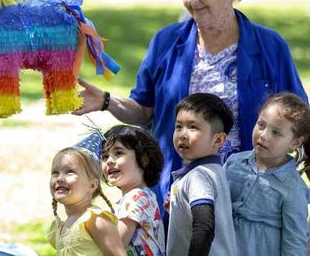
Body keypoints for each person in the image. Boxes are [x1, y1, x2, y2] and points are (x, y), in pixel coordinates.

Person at [74, 0, 308, 209]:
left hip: (253, 198)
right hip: (179, 195)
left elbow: (300, 119)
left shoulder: (270, 46)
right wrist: (106, 101)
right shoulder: (166, 41)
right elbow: (144, 111)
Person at [224, 93, 310, 256]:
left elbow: (294, 243)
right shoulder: (234, 163)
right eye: (261, 125)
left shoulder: (293, 189)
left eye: (276, 133)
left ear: (295, 142)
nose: (263, 135)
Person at [168, 93, 236, 256]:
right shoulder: (213, 170)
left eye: (193, 127)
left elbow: (204, 226)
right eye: (178, 126)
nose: (183, 134)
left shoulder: (199, 175)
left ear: (218, 140)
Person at [47, 146, 125, 256]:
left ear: (92, 185)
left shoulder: (95, 220)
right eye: (55, 173)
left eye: (70, 172)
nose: (60, 178)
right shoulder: (61, 227)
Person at [100, 125, 165, 255]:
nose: (109, 161)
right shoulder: (144, 195)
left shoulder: (135, 197)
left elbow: (115, 247)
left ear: (143, 159)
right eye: (105, 156)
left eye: (119, 153)